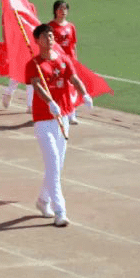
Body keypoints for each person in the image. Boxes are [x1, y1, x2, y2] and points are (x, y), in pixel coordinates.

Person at [26, 24, 91, 227]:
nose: (50, 38)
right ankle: (60, 210)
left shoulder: (63, 59)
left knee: (57, 166)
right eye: (45, 35)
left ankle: (42, 200)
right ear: (37, 40)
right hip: (44, 120)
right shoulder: (33, 64)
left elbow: (74, 78)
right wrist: (49, 102)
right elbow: (36, 86)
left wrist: (84, 93)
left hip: (62, 119)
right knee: (53, 162)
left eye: (51, 35)